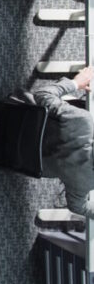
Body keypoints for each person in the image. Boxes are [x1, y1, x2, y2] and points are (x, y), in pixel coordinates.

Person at [32, 67, 94, 218]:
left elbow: (41, 94)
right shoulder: (86, 181)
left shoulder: (83, 121)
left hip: (17, 114)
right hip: (15, 158)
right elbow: (77, 207)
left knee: (74, 106)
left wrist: (75, 83)